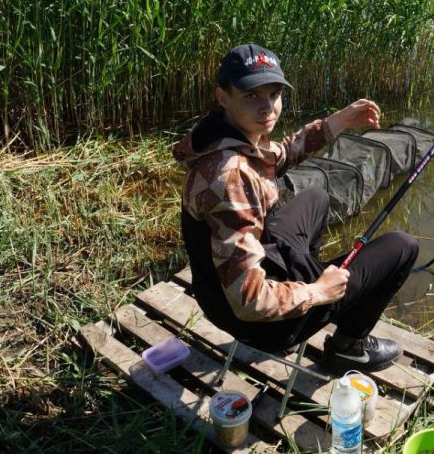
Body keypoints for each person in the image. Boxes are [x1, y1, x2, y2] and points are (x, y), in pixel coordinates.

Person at [173, 43, 418, 373]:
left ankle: (308, 290)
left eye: (274, 94)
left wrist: (338, 122)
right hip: (256, 323)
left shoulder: (218, 135)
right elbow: (249, 301)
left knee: (316, 197)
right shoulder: (230, 178)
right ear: (223, 96)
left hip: (220, 294)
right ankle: (347, 347)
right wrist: (317, 292)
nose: (268, 108)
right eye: (252, 96)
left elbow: (279, 156)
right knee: (402, 247)